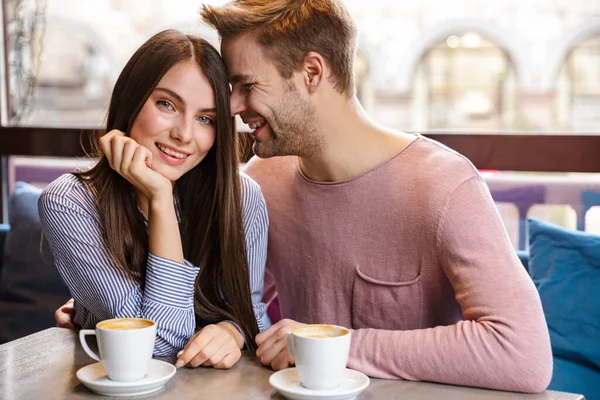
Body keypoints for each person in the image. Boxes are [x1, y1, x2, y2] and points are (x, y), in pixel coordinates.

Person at [199, 0, 553, 392]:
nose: (231, 106)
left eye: (247, 85)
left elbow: (524, 355)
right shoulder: (263, 181)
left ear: (312, 72)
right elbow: (242, 309)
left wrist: (331, 345)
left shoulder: (444, 185)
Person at [39, 29, 270, 370]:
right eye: (167, 104)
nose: (184, 134)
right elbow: (157, 343)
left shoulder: (242, 198)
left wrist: (233, 330)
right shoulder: (69, 203)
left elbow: (253, 317)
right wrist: (159, 198)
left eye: (205, 118)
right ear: (131, 102)